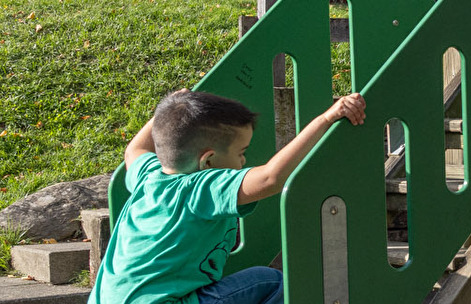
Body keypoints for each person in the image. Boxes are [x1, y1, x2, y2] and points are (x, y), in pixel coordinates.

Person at [91, 90, 367, 304]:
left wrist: (170, 108)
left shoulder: (149, 176)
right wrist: (326, 118)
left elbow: (133, 149)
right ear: (209, 161)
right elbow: (271, 178)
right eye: (241, 152)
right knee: (270, 281)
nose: (244, 160)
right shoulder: (201, 187)